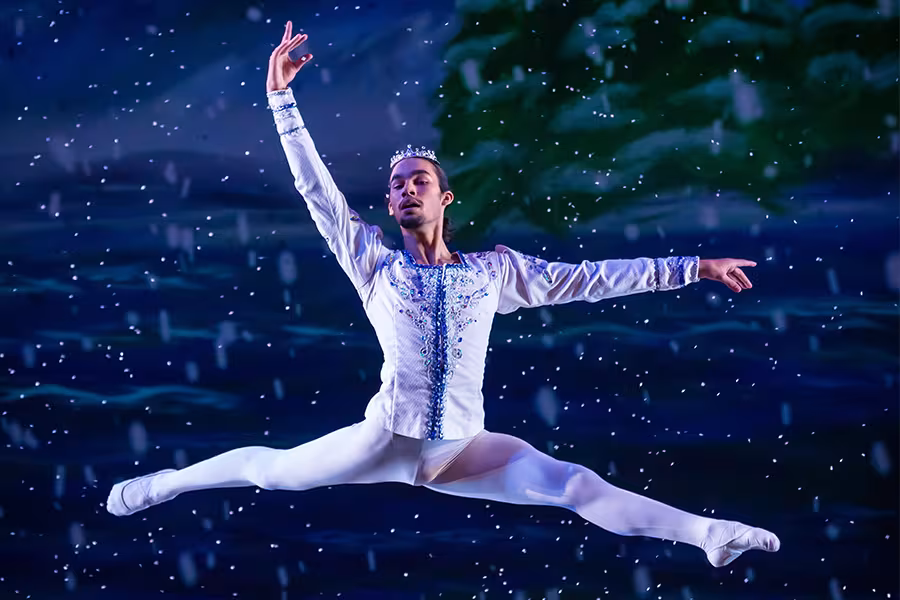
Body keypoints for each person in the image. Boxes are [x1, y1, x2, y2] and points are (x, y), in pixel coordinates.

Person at [107, 21, 780, 569]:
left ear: (444, 195)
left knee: (576, 486)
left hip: (461, 448)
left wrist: (693, 266)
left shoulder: (494, 272)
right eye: (395, 183)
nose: (404, 188)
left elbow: (591, 279)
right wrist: (282, 102)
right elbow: (318, 195)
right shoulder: (373, 264)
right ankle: (159, 486)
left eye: (418, 179)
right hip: (386, 441)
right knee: (272, 470)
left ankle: (705, 535)